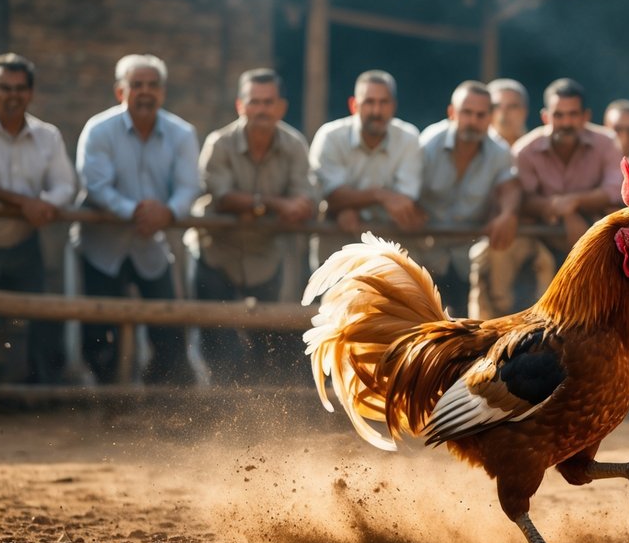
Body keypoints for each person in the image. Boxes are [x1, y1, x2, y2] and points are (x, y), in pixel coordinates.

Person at [76, 53, 198, 385]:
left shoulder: (182, 134)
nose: (145, 92)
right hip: (102, 248)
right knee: (99, 333)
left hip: (152, 248)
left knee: (168, 331)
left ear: (163, 92)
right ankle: (109, 406)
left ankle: (164, 408)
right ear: (120, 92)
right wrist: (136, 212)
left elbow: (189, 188)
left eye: (153, 85)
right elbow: (95, 186)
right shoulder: (98, 130)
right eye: (137, 85)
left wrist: (168, 212)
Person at [191, 68, 315, 385]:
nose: (261, 109)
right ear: (240, 105)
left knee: (267, 344)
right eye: (254, 102)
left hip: (265, 255)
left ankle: (259, 420)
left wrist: (257, 206)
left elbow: (304, 200)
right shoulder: (219, 143)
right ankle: (216, 416)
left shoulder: (295, 145)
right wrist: (275, 205)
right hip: (215, 253)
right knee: (218, 343)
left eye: (268, 102)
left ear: (281, 107)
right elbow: (220, 197)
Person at [0, 52, 74, 384]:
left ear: (30, 92)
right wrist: (24, 202)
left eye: (19, 88)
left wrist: (43, 206)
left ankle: (39, 400)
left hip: (25, 245)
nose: (12, 94)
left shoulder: (47, 135)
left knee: (38, 317)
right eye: (4, 87)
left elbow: (65, 185)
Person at [418, 80, 520, 319]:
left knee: (474, 324)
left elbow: (510, 187)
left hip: (468, 255)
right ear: (452, 113)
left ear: (490, 117)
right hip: (425, 250)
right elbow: (406, 190)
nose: (473, 120)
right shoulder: (428, 144)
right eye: (467, 112)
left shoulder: (500, 152)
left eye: (480, 114)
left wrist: (507, 214)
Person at [308, 70, 422, 268]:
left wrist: (347, 204)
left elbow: (403, 203)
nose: (376, 110)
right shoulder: (330, 137)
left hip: (390, 256)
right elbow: (331, 195)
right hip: (336, 257)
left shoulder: (409, 138)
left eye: (383, 102)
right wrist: (381, 196)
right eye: (369, 102)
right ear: (354, 104)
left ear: (393, 106)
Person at [515, 78, 623, 260]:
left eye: (573, 114)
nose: (566, 123)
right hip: (538, 239)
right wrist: (559, 208)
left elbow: (614, 191)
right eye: (559, 115)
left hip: (597, 239)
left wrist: (573, 202)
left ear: (585, 116)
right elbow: (523, 199)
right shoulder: (524, 150)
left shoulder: (607, 143)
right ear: (545, 117)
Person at [488, 78, 530, 148]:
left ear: (524, 111)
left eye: (512, 106)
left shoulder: (537, 150)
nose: (503, 112)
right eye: (496, 106)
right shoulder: (474, 151)